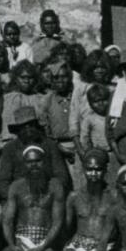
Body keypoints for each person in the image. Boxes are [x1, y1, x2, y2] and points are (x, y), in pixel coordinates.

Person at [0, 145, 66, 251]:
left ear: (44, 162)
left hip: (44, 243)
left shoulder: (55, 186)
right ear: (24, 164)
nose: (34, 165)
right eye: (29, 162)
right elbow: (7, 221)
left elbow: (57, 222)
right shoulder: (16, 186)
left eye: (37, 161)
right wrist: (12, 245)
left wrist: (42, 247)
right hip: (21, 241)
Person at [49, 150, 113, 251]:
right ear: (84, 170)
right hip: (79, 245)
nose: (93, 174)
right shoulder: (74, 197)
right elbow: (66, 227)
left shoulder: (113, 196)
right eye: (89, 170)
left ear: (105, 170)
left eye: (98, 169)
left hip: (102, 247)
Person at [0, 107, 70, 200]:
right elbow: (3, 182)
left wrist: (49, 194)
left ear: (37, 126)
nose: (28, 129)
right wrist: (17, 198)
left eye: (31, 125)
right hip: (20, 197)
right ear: (18, 130)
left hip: (47, 194)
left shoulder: (50, 145)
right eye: (24, 127)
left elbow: (62, 176)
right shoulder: (9, 148)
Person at [41, 60, 86, 191]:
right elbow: (45, 130)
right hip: (57, 149)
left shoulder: (79, 97)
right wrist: (59, 147)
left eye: (64, 77)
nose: (60, 81)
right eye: (56, 78)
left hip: (80, 147)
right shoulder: (46, 101)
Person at [0, 60, 46, 152]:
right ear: (16, 78)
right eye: (23, 77)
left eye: (30, 78)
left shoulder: (42, 98)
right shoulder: (8, 99)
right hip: (12, 144)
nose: (27, 81)